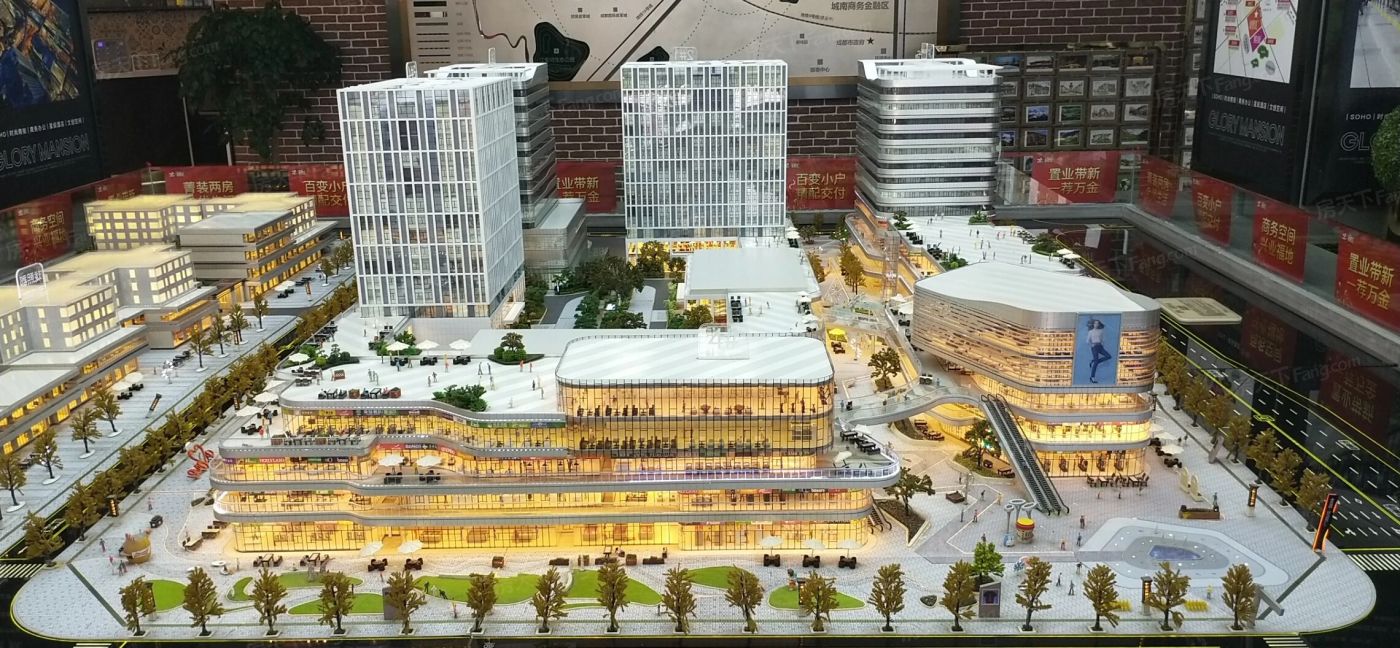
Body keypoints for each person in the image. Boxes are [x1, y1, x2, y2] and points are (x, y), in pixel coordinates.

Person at [1085, 318, 1112, 383]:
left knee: (1108, 356)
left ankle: (1094, 361)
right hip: (1094, 347)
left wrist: (1102, 344)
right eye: (1095, 323)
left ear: (1099, 324)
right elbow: (1087, 341)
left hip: (1100, 346)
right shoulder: (1090, 332)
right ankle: (1092, 377)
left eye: (1097, 323)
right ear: (1093, 324)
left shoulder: (1100, 331)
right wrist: (1092, 344)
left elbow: (1103, 339)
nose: (1096, 324)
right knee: (1096, 363)